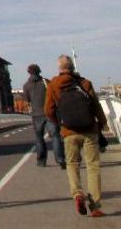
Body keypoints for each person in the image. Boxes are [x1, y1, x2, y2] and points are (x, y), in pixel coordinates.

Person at [45, 54, 108, 217]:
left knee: (72, 163)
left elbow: (48, 111)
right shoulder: (85, 83)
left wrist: (60, 123)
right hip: (89, 129)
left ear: (60, 68)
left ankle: (77, 193)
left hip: (69, 131)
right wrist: (102, 123)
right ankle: (95, 205)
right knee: (92, 165)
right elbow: (96, 106)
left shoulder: (53, 85)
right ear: (73, 67)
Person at [23, 63, 65, 168]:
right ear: (39, 71)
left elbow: (27, 99)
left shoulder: (26, 85)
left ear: (29, 72)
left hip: (36, 115)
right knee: (55, 136)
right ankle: (60, 159)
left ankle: (41, 161)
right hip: (49, 113)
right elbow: (55, 94)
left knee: (39, 138)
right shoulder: (46, 82)